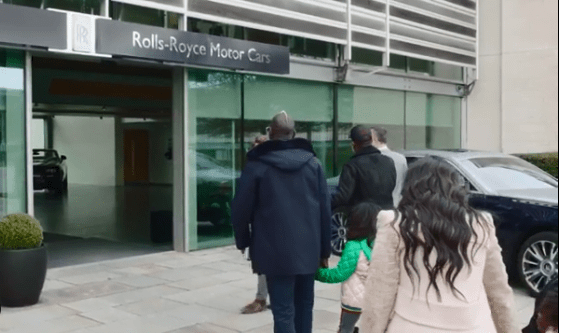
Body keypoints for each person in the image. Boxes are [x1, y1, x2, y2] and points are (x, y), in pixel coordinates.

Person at [361, 156, 520, 333]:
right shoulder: (481, 223)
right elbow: (499, 291)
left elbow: (380, 291)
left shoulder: (395, 223)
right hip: (474, 326)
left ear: (410, 188)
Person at [231, 111, 332, 333]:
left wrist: (243, 240)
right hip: (308, 248)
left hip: (272, 249)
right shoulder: (313, 164)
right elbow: (325, 209)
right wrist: (325, 250)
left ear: (270, 132)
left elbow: (240, 207)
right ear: (293, 133)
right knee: (305, 305)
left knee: (283, 310)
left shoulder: (257, 165)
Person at [315, 202, 380, 333]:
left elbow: (340, 274)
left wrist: (317, 273)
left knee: (345, 329)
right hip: (375, 300)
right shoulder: (380, 245)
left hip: (353, 302)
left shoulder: (353, 246)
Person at [332, 125, 396, 211]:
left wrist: (324, 202)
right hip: (387, 213)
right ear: (371, 139)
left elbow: (343, 196)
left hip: (364, 216)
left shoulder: (352, 165)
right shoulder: (389, 161)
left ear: (354, 144)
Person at [241, 135, 270, 314]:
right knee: (264, 262)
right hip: (261, 222)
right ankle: (262, 297)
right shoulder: (253, 168)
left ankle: (262, 298)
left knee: (266, 261)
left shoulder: (262, 168)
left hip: (269, 222)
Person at [370, 126, 408, 207]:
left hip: (375, 208)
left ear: (374, 139)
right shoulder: (401, 158)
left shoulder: (370, 159)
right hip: (397, 205)